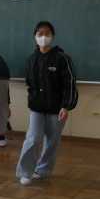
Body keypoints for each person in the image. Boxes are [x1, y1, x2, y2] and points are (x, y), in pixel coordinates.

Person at [16, 21, 78, 185]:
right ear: (35, 37)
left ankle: (42, 170)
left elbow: (70, 83)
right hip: (37, 108)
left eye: (47, 33)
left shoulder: (62, 59)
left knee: (52, 142)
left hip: (57, 109)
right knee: (33, 139)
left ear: (52, 36)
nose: (44, 37)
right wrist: (33, 99)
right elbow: (29, 83)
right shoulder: (31, 60)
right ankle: (26, 172)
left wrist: (66, 106)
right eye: (40, 34)